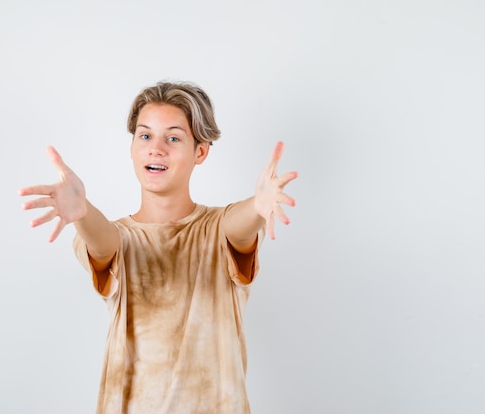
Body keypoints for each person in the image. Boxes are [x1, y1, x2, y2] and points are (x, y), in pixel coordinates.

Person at [18, 81, 298, 414]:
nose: (156, 148)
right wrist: (83, 212)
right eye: (145, 135)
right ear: (133, 147)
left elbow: (237, 227)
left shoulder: (218, 230)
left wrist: (257, 206)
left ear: (201, 152)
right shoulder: (111, 236)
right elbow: (107, 244)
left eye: (174, 138)